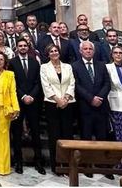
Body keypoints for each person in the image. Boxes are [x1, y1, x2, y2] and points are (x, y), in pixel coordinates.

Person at [10, 39, 45, 175]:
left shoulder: (34, 62)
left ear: (28, 47)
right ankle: (18, 162)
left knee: (35, 132)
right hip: (18, 101)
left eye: (25, 46)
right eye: (20, 46)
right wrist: (23, 96)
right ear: (17, 48)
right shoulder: (12, 63)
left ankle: (38, 161)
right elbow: (12, 83)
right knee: (17, 132)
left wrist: (31, 96)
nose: (23, 48)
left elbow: (38, 82)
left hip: (33, 101)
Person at [40, 43, 75, 175]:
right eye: (51, 51)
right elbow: (46, 85)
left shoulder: (68, 66)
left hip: (68, 103)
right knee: (54, 134)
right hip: (52, 103)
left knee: (67, 134)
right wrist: (57, 100)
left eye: (56, 50)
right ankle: (56, 165)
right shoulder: (44, 67)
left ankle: (67, 164)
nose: (54, 53)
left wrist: (65, 99)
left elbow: (72, 83)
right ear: (48, 54)